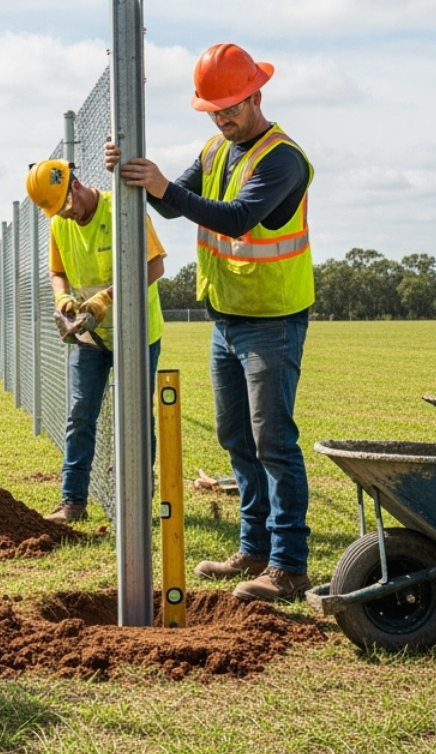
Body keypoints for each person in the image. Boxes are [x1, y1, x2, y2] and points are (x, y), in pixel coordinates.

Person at [109, 42, 316, 602]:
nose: (223, 119)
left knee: (273, 440)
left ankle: (290, 566)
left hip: (272, 319)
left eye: (231, 107)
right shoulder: (215, 149)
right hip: (226, 318)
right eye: (214, 110)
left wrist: (161, 186)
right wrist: (135, 176)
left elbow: (240, 219)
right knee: (237, 438)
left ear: (257, 94)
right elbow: (173, 204)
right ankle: (253, 549)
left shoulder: (282, 159)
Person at [25, 159, 166, 523]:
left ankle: (136, 500)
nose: (65, 216)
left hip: (136, 332)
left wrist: (108, 297)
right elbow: (57, 272)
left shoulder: (122, 208)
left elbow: (155, 266)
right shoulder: (60, 222)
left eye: (66, 206)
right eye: (56, 212)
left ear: (75, 185)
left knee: (135, 416)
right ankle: (73, 501)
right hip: (90, 335)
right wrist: (62, 299)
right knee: (79, 414)